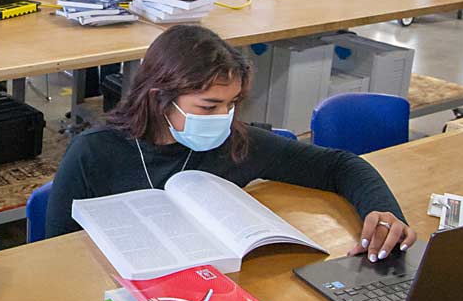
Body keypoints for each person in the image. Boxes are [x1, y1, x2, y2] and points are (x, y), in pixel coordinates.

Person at [45, 24, 418, 265]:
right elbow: (52, 253)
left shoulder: (235, 143)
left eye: (232, 104)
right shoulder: (94, 153)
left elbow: (340, 165)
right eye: (209, 106)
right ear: (159, 97)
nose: (223, 117)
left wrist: (381, 210)